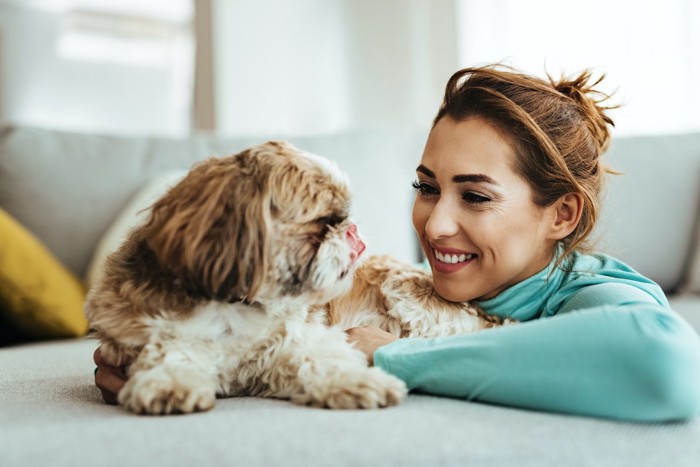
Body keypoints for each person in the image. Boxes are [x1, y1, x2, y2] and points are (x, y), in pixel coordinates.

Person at [94, 65, 700, 421]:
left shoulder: (590, 292)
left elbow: (667, 364)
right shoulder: (392, 288)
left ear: (561, 215)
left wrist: (391, 355)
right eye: (426, 187)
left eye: (477, 196)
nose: (433, 226)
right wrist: (161, 352)